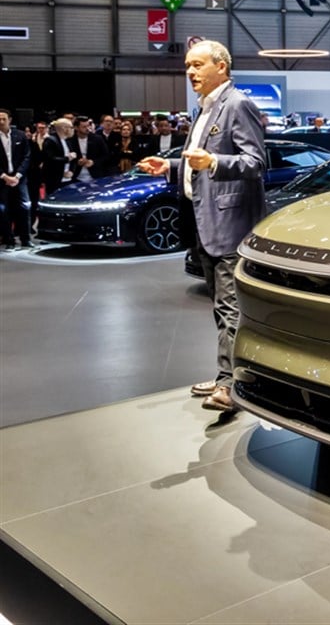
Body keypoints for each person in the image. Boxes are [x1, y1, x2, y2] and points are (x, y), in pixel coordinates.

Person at [138, 39, 266, 414]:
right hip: (204, 223)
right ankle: (227, 374)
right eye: (187, 66)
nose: (190, 72)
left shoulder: (237, 104)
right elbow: (199, 162)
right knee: (219, 306)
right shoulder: (205, 110)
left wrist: (213, 161)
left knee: (229, 308)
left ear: (221, 67)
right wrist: (173, 167)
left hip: (229, 224)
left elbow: (255, 163)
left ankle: (231, 386)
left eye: (197, 65)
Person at [0, 109, 33, 249]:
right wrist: (4, 176)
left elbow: (27, 156)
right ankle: (9, 239)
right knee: (3, 210)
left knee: (24, 208)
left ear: (10, 120)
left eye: (3, 119)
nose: (1, 122)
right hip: (2, 179)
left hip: (19, 179)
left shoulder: (20, 135)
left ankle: (26, 239)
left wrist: (18, 176)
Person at [66, 117, 109, 183]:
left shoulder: (97, 139)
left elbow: (105, 155)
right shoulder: (69, 140)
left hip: (95, 175)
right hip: (76, 176)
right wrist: (77, 161)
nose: (87, 129)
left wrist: (93, 162)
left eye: (88, 126)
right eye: (84, 127)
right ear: (76, 128)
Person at [41, 119, 75, 194]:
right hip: (54, 179)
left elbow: (73, 159)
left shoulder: (68, 141)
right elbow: (50, 159)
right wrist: (67, 159)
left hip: (67, 179)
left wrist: (71, 171)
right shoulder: (50, 140)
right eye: (71, 127)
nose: (73, 130)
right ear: (64, 128)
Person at [26, 120, 47, 230]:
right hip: (23, 177)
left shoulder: (33, 145)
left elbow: (40, 158)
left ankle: (31, 225)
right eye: (26, 132)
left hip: (34, 177)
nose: (27, 134)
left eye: (29, 131)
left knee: (34, 202)